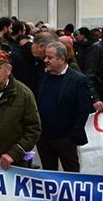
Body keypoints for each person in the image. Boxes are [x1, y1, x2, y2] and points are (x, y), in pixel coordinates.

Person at [35, 42, 93, 172]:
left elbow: (83, 110)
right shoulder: (43, 78)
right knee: (48, 173)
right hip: (44, 138)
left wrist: (72, 134)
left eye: (49, 57)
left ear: (62, 59)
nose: (45, 60)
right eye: (45, 57)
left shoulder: (78, 80)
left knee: (71, 172)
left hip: (65, 139)